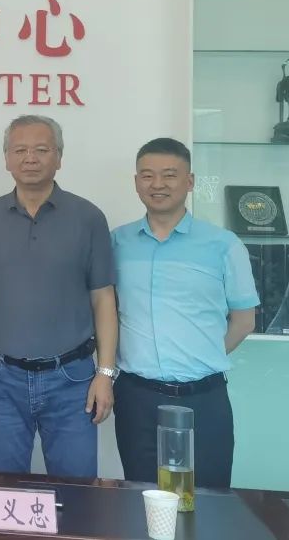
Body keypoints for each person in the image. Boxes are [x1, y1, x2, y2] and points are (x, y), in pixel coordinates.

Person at [0, 115, 117, 478]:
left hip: (72, 379)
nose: (30, 158)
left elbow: (103, 299)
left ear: (59, 157)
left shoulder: (88, 217)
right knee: (4, 489)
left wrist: (105, 373)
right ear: (6, 159)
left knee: (78, 491)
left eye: (41, 150)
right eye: (20, 150)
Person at [112, 137, 258, 488]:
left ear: (189, 181)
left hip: (204, 399)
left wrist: (200, 358)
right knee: (143, 497)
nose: (157, 184)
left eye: (169, 175)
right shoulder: (115, 243)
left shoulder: (223, 245)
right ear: (136, 182)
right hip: (137, 398)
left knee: (207, 499)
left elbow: (244, 321)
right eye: (147, 175)